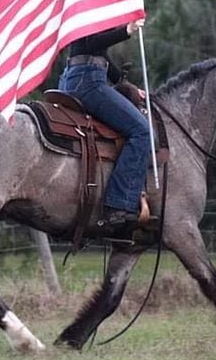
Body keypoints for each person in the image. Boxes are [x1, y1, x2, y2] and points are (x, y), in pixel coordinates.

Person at [58, 18, 153, 234]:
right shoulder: (92, 4)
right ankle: (118, 206)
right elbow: (92, 43)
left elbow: (98, 53)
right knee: (141, 131)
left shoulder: (85, 3)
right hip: (88, 81)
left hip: (71, 79)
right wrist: (126, 31)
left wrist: (124, 83)